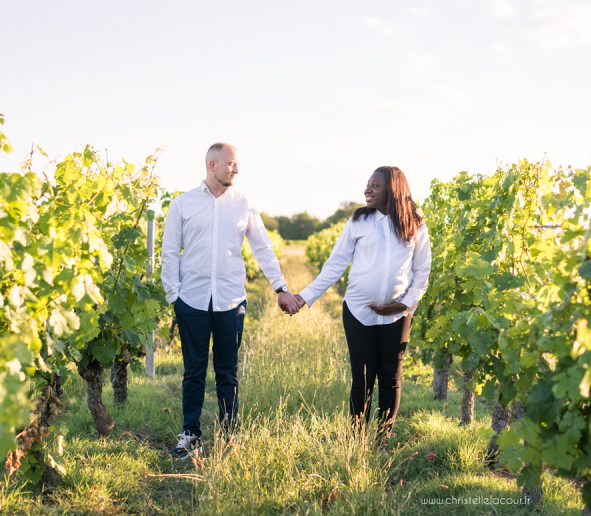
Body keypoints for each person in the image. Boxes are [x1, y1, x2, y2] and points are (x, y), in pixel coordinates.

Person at [160, 142, 299, 460]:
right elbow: (170, 252)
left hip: (231, 300)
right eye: (231, 164)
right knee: (193, 371)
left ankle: (229, 436)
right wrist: (174, 297)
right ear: (212, 165)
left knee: (228, 372)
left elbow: (262, 248)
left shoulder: (243, 204)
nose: (236, 169)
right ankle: (191, 436)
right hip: (191, 300)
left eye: (237, 165)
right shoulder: (182, 203)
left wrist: (280, 287)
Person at [293, 166, 431, 445]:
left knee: (391, 377)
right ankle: (357, 438)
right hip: (358, 310)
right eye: (367, 185)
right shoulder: (358, 222)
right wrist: (303, 297)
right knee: (363, 377)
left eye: (375, 185)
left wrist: (404, 305)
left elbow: (422, 271)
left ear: (393, 189)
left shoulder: (415, 222)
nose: (368, 190)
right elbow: (334, 266)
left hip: (397, 315)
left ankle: (382, 440)